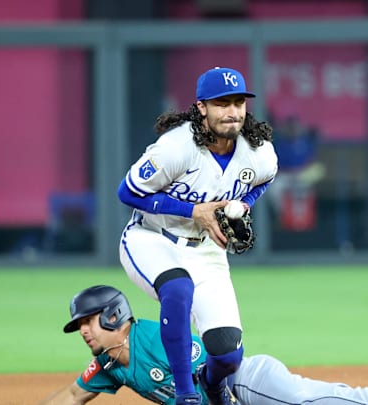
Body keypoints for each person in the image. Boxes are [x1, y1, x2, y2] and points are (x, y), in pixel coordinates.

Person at [40, 285, 368, 405]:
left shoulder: (159, 337)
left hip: (249, 387)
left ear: (114, 316)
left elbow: (213, 382)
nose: (83, 331)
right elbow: (72, 395)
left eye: (87, 322)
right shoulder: (110, 363)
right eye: (78, 325)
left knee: (351, 401)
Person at [115, 67, 277, 405]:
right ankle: (185, 394)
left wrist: (243, 204)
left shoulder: (258, 152)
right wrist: (194, 211)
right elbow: (128, 191)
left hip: (206, 250)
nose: (232, 112)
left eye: (238, 103)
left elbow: (264, 179)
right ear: (201, 107)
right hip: (151, 239)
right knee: (178, 288)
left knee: (227, 354)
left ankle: (212, 384)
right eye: (222, 104)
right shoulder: (176, 147)